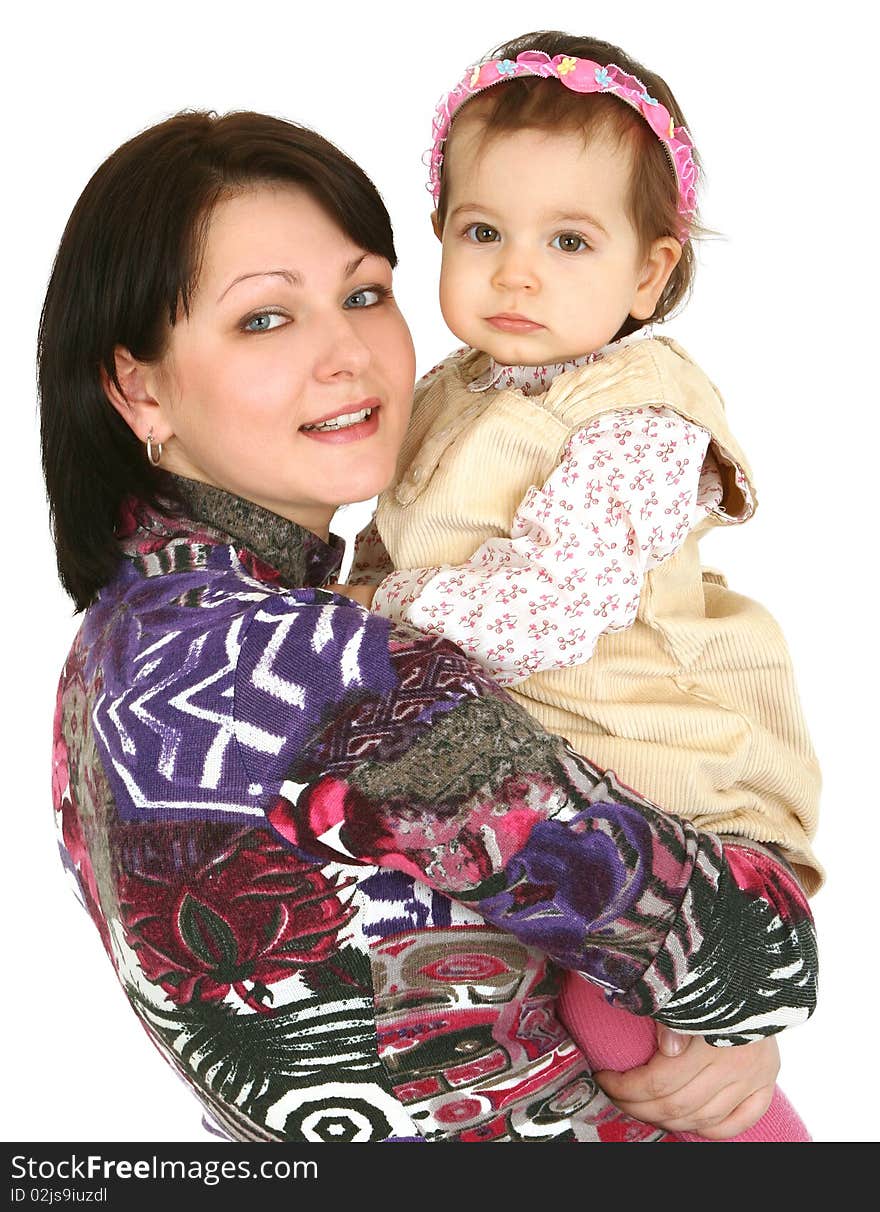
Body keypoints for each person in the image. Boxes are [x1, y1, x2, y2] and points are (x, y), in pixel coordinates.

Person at [42, 110, 816, 1145]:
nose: (348, 354)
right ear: (138, 383)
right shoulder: (333, 669)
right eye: (265, 319)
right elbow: (758, 959)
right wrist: (725, 1026)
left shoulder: (114, 646)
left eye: (365, 294)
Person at [344, 31, 820, 1140]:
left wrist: (362, 625)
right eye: (482, 232)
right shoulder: (447, 390)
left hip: (669, 777)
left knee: (627, 1013)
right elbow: (387, 552)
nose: (517, 272)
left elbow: (557, 599)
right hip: (543, 772)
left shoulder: (638, 414)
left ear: (649, 271)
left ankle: (764, 1139)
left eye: (569, 240)